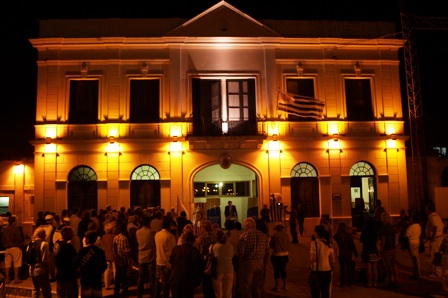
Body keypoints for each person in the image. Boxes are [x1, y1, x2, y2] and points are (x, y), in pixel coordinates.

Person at [235, 217, 270, 298]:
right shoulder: (263, 235)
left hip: (248, 263)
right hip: (260, 263)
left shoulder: (244, 236)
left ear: (247, 226)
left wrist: (240, 265)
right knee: (257, 287)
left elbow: (240, 253)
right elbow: (266, 251)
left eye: (244, 227)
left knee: (246, 287)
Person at [74, 231, 107, 298]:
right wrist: (99, 272)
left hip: (86, 278)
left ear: (88, 239)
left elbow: (75, 263)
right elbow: (104, 265)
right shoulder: (100, 251)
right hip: (96, 279)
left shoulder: (82, 251)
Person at [169, 231, 203, 298]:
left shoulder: (176, 249)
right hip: (188, 281)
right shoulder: (195, 252)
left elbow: (171, 262)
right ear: (193, 241)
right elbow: (198, 268)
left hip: (175, 279)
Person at [309, 225, 335, 298]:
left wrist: (311, 265)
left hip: (317, 271)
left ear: (317, 233)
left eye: (315, 232)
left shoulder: (314, 243)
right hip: (327, 271)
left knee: (315, 292)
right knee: (325, 292)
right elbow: (332, 259)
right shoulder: (328, 243)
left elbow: (312, 258)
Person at [154, 216, 177, 298]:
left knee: (158, 282)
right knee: (166, 285)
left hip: (158, 260)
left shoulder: (157, 235)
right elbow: (174, 249)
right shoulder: (170, 236)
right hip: (167, 262)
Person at [54, 226, 78, 298]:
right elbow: (75, 259)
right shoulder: (68, 246)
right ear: (65, 234)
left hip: (59, 274)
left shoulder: (57, 244)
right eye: (70, 233)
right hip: (68, 275)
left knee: (61, 293)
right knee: (70, 294)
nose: (72, 235)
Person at [136, 215, 157, 298]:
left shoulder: (137, 232)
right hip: (150, 257)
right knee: (151, 278)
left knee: (140, 278)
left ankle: (139, 294)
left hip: (141, 257)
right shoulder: (152, 232)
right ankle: (152, 294)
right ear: (149, 223)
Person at [29, 227, 52, 298]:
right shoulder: (44, 244)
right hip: (41, 270)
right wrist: (47, 271)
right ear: (41, 234)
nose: (45, 236)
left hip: (32, 270)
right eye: (44, 234)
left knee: (35, 289)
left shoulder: (30, 244)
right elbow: (45, 260)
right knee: (46, 290)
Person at [333, 222, 358, 288]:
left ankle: (342, 282)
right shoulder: (348, 235)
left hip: (341, 253)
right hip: (348, 253)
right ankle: (349, 282)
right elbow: (352, 245)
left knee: (342, 268)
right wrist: (355, 253)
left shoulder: (336, 236)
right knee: (348, 267)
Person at [211, 229, 234, 298]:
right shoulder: (230, 246)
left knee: (218, 294)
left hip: (218, 271)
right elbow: (232, 255)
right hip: (229, 270)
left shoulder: (213, 247)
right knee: (228, 293)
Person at [1, 216, 24, 284]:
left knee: (7, 264)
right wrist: (21, 245)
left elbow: (2, 239)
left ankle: (7, 278)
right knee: (17, 263)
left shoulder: (4, 229)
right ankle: (16, 278)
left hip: (7, 248)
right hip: (15, 247)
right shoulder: (15, 229)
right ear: (14, 222)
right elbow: (19, 238)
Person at [379, 213, 398, 288]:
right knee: (394, 265)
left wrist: (381, 249)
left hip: (387, 249)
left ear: (383, 219)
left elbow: (383, 241)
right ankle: (396, 281)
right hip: (393, 248)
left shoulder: (383, 229)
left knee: (387, 266)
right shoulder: (392, 228)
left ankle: (389, 281)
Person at [198, 220, 216, 298]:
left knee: (205, 280)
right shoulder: (215, 236)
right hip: (214, 259)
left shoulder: (203, 237)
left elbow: (200, 249)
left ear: (204, 228)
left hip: (206, 260)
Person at [425, 202, 444, 278]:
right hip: (437, 238)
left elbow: (435, 227)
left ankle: (436, 273)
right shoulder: (436, 216)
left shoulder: (433, 217)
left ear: (429, 210)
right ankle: (436, 271)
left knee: (435, 255)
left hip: (436, 239)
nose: (425, 210)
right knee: (436, 255)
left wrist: (432, 237)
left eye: (426, 209)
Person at [113, 223, 132, 297]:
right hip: (123, 260)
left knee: (117, 277)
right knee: (124, 277)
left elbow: (114, 249)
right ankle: (124, 290)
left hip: (118, 259)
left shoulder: (115, 237)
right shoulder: (124, 238)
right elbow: (126, 251)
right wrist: (129, 260)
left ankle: (116, 291)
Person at [269, 224, 290, 292]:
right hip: (285, 254)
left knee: (276, 271)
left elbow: (271, 244)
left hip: (277, 254)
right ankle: (285, 286)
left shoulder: (275, 235)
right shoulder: (286, 235)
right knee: (283, 270)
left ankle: (277, 286)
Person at [360, 217, 380, 288]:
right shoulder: (375, 232)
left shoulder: (365, 231)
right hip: (374, 250)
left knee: (369, 268)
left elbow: (361, 240)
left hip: (367, 250)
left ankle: (369, 283)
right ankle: (375, 283)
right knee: (374, 268)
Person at [406, 213, 422, 279]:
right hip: (417, 242)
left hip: (412, 243)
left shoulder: (411, 227)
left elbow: (407, 235)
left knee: (414, 259)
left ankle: (416, 274)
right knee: (417, 258)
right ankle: (417, 273)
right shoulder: (418, 226)